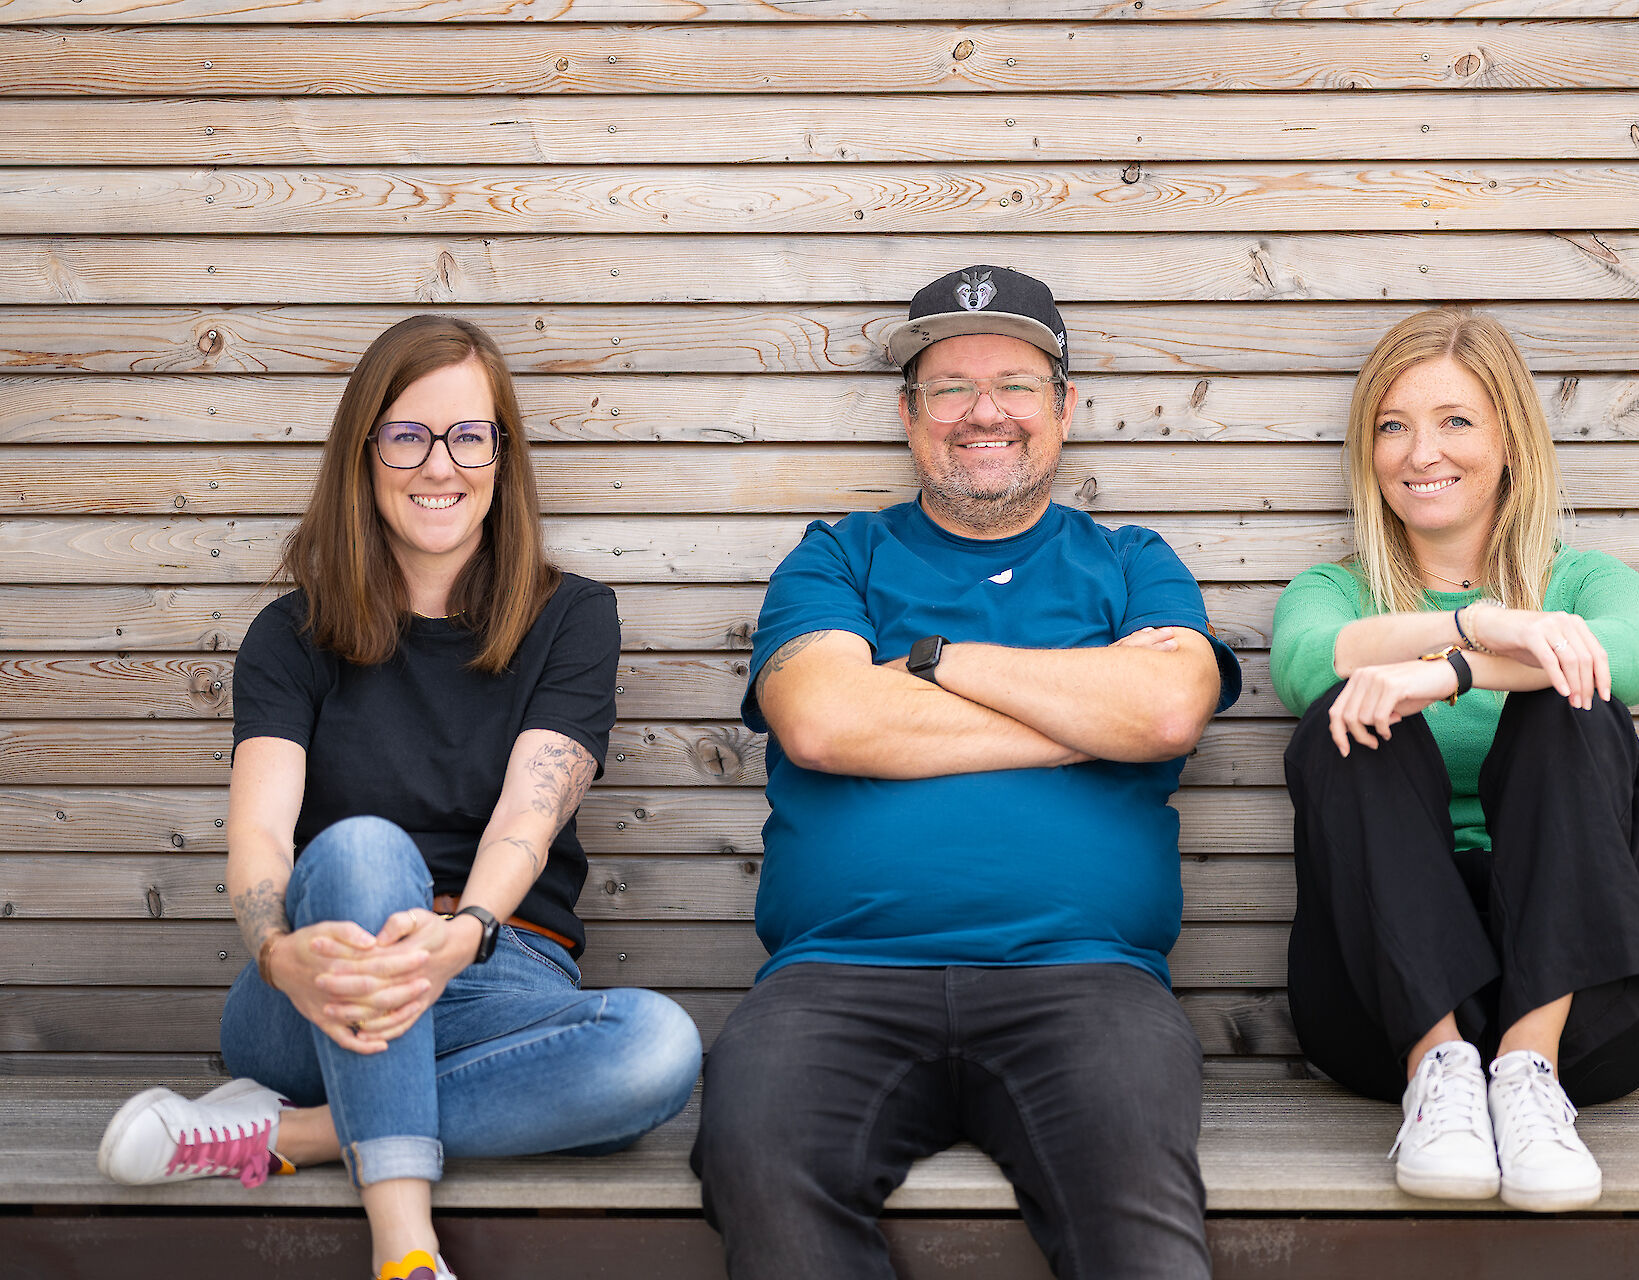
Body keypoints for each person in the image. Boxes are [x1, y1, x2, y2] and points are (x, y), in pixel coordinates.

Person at [96, 315, 703, 1280]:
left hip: (496, 975)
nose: (441, 465)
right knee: (361, 848)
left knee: (658, 1048)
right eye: (408, 434)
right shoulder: (289, 636)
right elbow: (259, 830)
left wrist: (465, 933)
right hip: (311, 991)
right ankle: (405, 1249)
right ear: (366, 450)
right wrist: (276, 951)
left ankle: (295, 1133)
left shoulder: (572, 618)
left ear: (501, 455)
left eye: (469, 435)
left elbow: (527, 822)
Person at [690, 265, 1242, 1279]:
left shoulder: (1129, 560)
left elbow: (1167, 708)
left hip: (1086, 981)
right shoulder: (835, 558)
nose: (983, 412)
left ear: (1064, 408)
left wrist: (940, 661)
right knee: (753, 1153)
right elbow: (820, 720)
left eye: (1016, 383)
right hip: (836, 981)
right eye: (950, 387)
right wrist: (1086, 710)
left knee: (1138, 1210)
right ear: (909, 416)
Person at [1270, 309, 1639, 1212]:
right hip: (1382, 1008)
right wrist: (1474, 623)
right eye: (1394, 426)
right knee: (1346, 713)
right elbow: (1307, 663)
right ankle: (1445, 1076)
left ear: (1510, 442)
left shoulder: (1582, 581)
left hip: (1591, 1001)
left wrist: (1454, 672)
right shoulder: (1334, 592)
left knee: (1573, 701)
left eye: (1455, 420)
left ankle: (1527, 1075)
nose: (1421, 451)